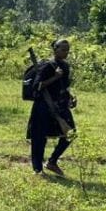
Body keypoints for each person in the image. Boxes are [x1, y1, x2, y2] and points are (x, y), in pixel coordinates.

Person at [28, 38, 77, 177]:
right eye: (62, 49)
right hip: (43, 106)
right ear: (55, 50)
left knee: (71, 133)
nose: (65, 52)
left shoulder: (65, 67)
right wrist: (54, 77)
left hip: (60, 106)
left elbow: (64, 87)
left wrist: (71, 97)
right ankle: (37, 169)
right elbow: (37, 86)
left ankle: (52, 161)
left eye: (67, 50)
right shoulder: (46, 66)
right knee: (39, 138)